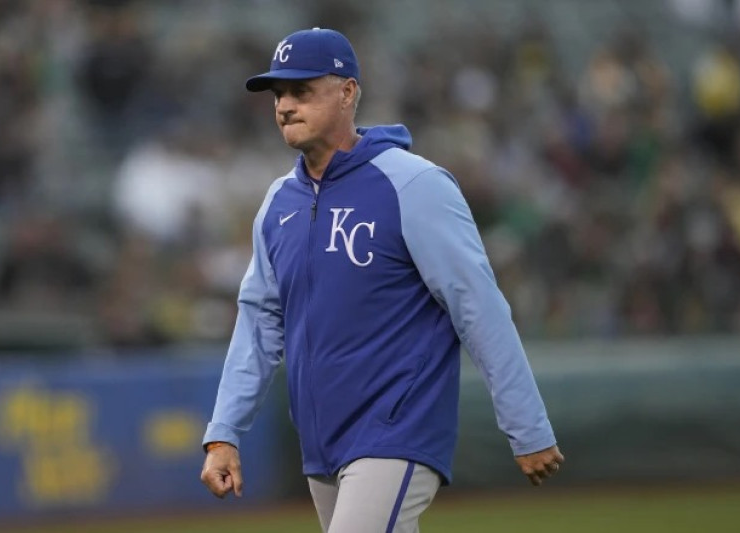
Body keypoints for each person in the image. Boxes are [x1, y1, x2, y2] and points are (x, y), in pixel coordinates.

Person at [200, 27, 564, 532]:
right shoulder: (278, 202)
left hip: (397, 429)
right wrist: (223, 433)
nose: (284, 105)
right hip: (321, 440)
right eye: (278, 93)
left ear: (348, 91)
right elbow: (259, 325)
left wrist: (527, 427)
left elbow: (477, 306)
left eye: (301, 89)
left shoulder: (412, 184)